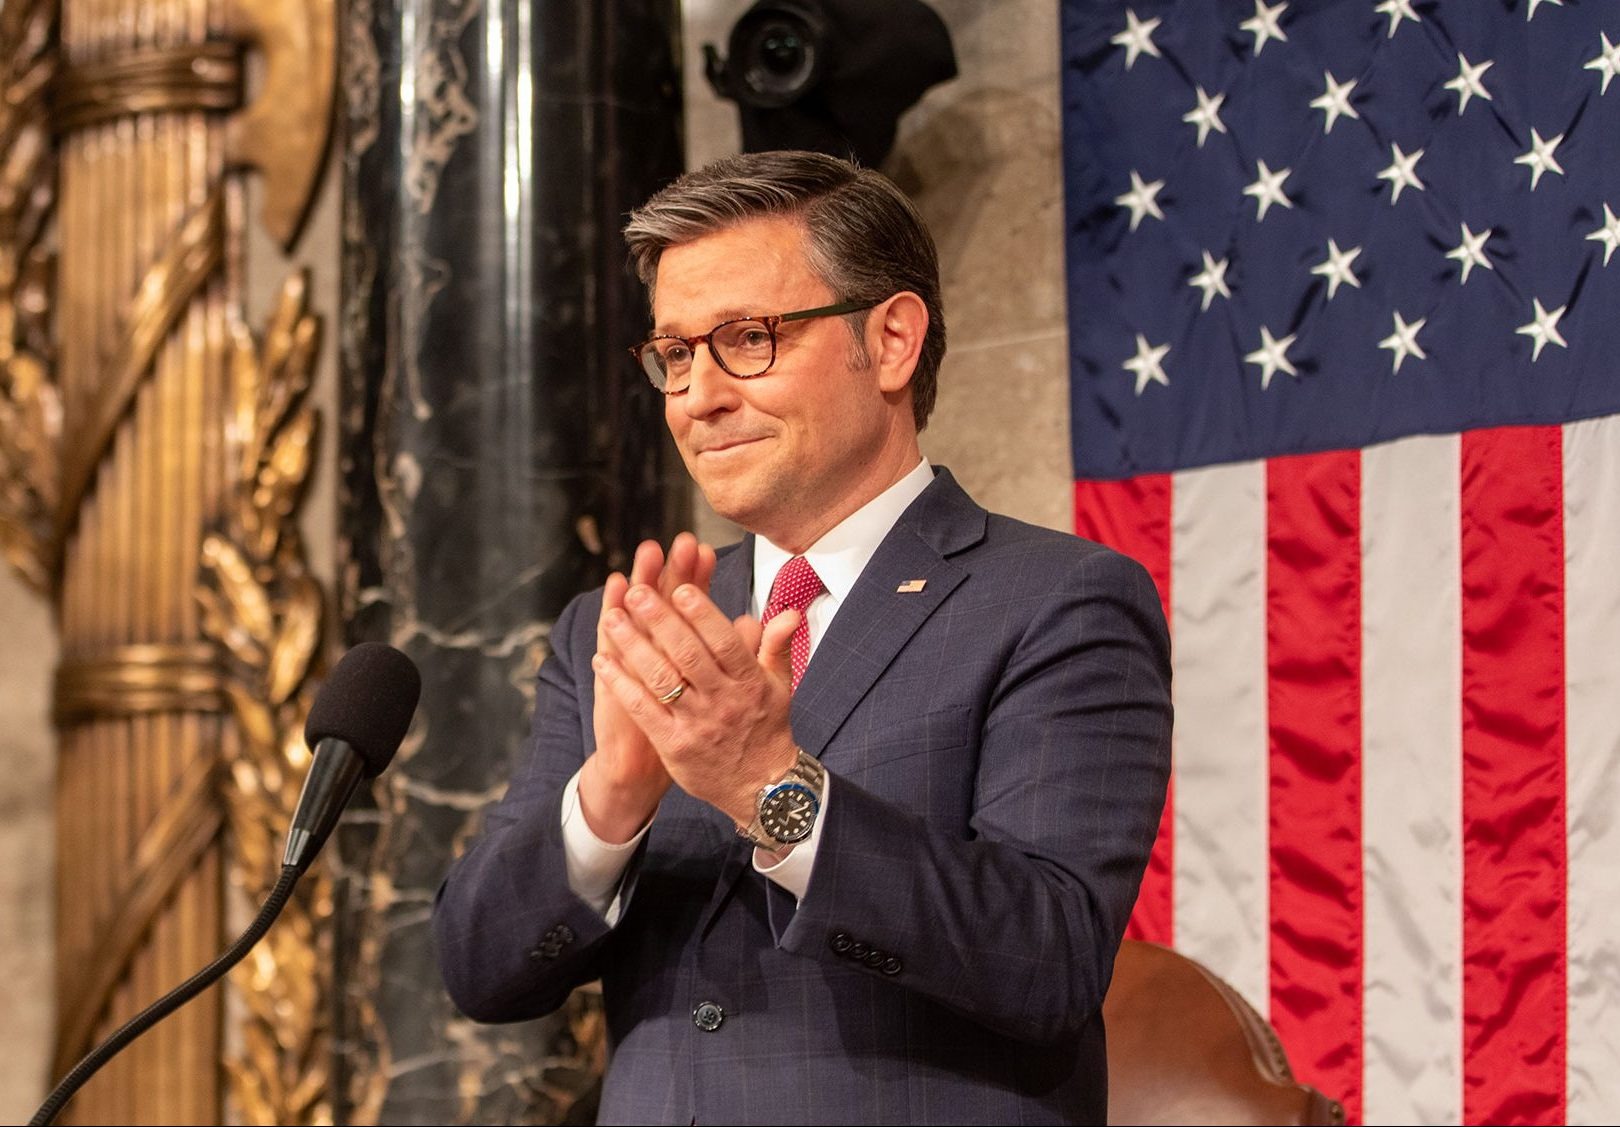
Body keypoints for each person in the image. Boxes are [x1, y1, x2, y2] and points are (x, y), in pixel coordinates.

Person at [432, 150, 1172, 1125]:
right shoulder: (626, 631)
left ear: (893, 340)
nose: (697, 396)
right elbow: (480, 968)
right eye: (675, 354)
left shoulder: (1057, 601)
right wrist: (610, 802)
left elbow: (1049, 958)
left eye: (748, 338)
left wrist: (766, 786)